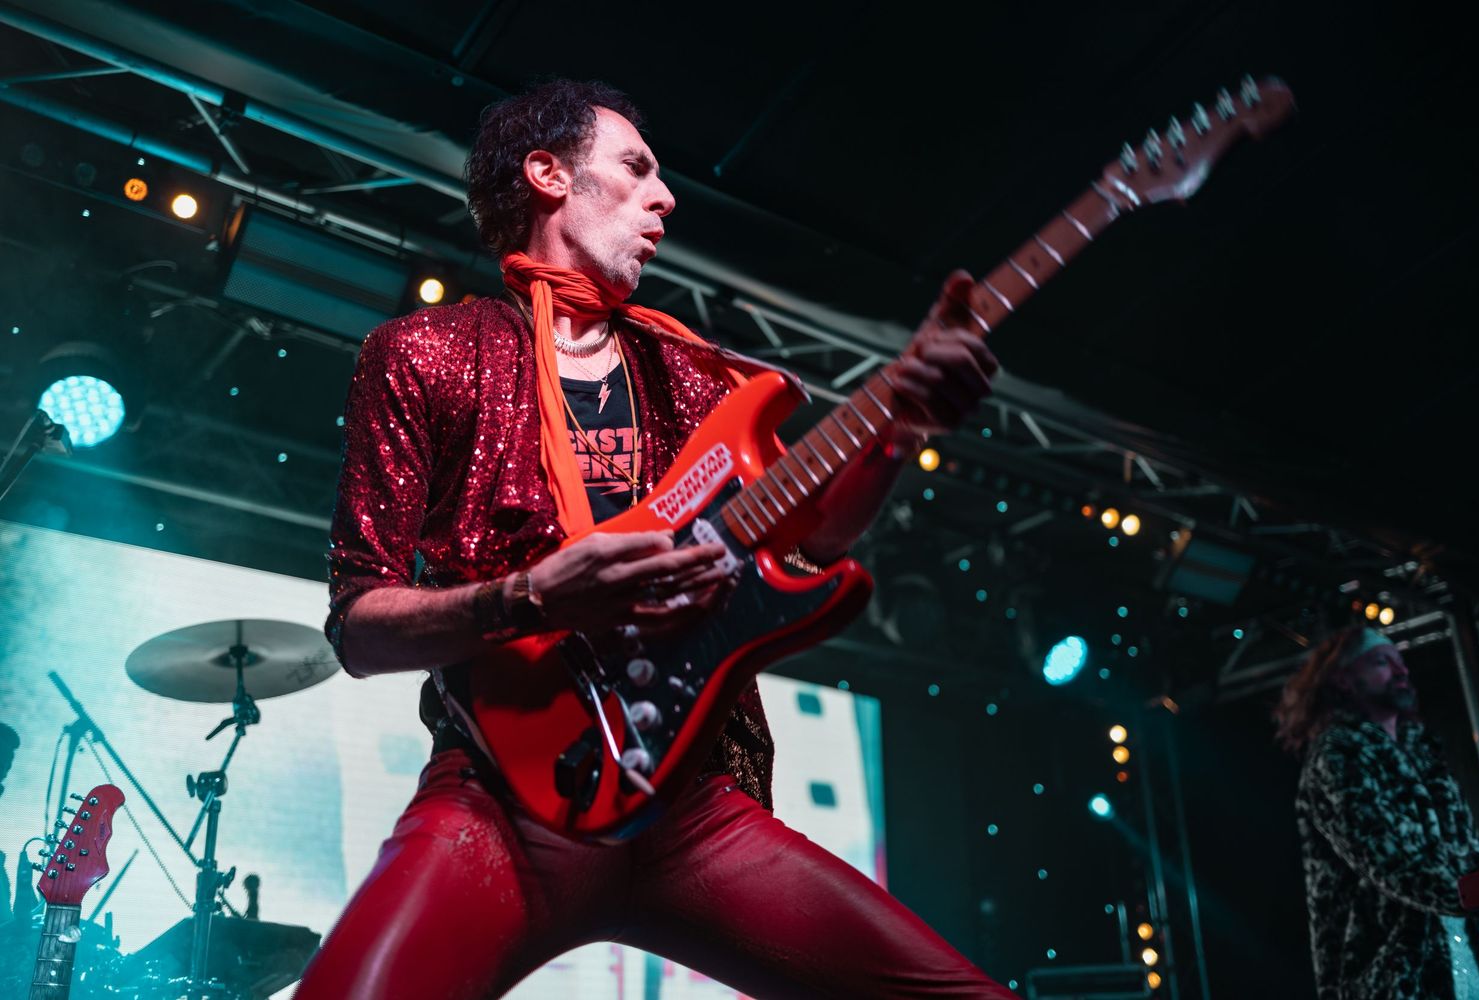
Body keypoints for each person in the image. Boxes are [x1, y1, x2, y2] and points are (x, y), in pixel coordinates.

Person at [293, 79, 1015, 999]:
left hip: (696, 808)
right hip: (500, 794)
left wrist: (899, 430)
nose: (665, 197)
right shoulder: (424, 353)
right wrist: (531, 598)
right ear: (548, 175)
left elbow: (811, 544)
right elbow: (358, 627)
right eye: (635, 168)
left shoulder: (697, 375)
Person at [1275, 625, 1479, 999]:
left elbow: (1467, 850)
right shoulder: (1338, 755)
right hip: (1395, 979)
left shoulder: (1423, 752)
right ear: (1344, 679)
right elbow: (1394, 862)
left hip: (1472, 966)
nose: (1401, 671)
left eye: (1400, 661)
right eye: (1382, 662)